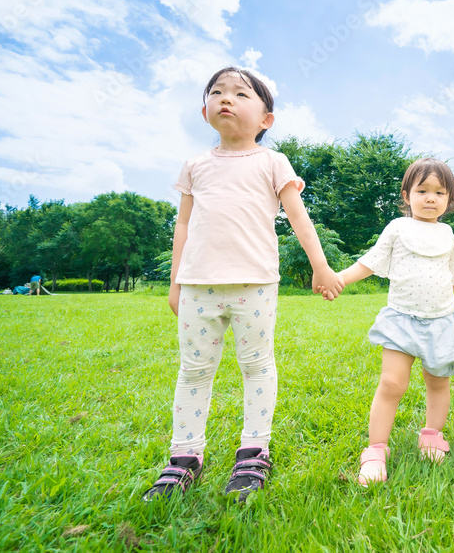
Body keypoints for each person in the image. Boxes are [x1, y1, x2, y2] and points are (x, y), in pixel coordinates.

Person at [142, 66, 344, 502]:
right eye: (217, 92)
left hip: (255, 284)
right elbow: (182, 226)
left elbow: (298, 218)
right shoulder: (195, 166)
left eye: (240, 93)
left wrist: (321, 266)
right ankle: (184, 456)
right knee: (194, 369)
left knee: (256, 364)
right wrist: (175, 283)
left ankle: (254, 449)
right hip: (197, 286)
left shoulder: (273, 162)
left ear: (266, 119)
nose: (226, 98)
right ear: (205, 112)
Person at [328, 158, 454, 486]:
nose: (431, 198)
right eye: (422, 190)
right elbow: (370, 262)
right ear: (406, 194)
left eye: (440, 192)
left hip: (441, 321)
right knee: (392, 384)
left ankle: (431, 436)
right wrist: (339, 279)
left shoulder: (447, 234)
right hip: (401, 319)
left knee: (438, 382)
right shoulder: (398, 228)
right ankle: (376, 450)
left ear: (449, 200)